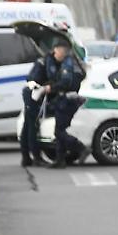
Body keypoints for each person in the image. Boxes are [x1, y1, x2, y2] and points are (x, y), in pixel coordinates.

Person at [24, 38, 88, 168]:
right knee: (56, 129)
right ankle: (59, 159)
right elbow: (33, 80)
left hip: (67, 100)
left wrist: (50, 88)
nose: (62, 53)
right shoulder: (55, 61)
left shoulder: (67, 63)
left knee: (59, 131)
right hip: (58, 99)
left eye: (64, 50)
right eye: (60, 50)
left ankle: (80, 149)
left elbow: (65, 81)